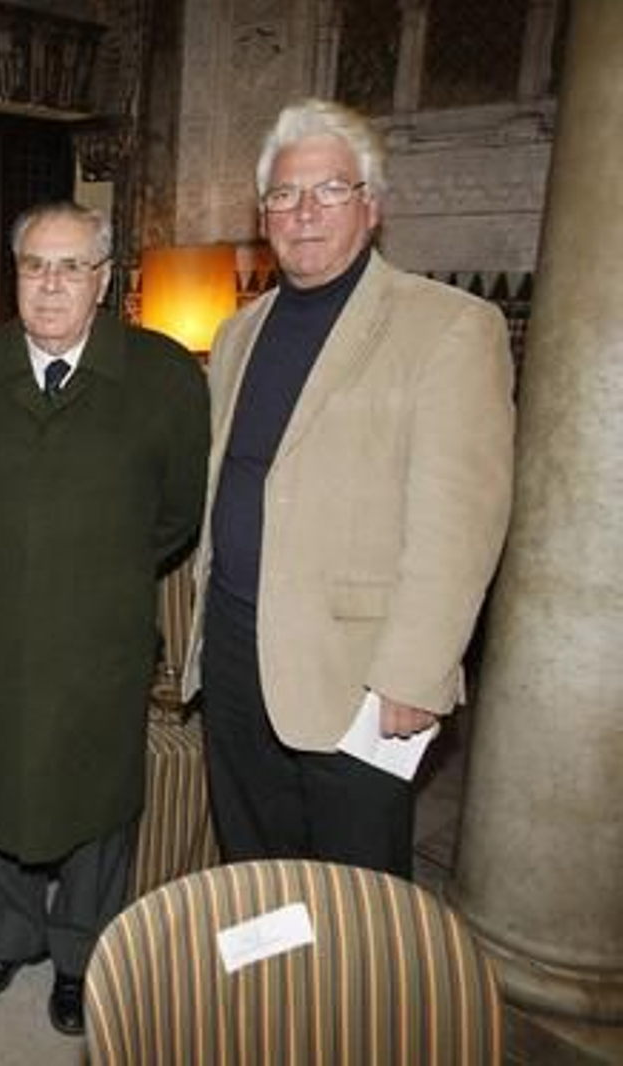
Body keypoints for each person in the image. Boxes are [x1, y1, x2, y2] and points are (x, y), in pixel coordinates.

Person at [182, 98, 516, 878]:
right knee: (254, 859)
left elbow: (460, 524)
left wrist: (416, 672)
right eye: (284, 196)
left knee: (354, 887)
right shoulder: (240, 331)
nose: (303, 214)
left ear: (371, 205)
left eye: (328, 190)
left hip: (356, 670)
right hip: (233, 646)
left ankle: (348, 1006)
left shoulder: (449, 327)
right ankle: (273, 999)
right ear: (263, 214)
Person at [0, 201, 208, 1036]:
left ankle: (82, 957)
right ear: (15, 276)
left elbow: (177, 512)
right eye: (34, 267)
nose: (51, 285)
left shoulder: (163, 378)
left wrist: (94, 565)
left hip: (103, 633)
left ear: (104, 280)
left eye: (71, 267)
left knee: (96, 797)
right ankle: (7, 937)